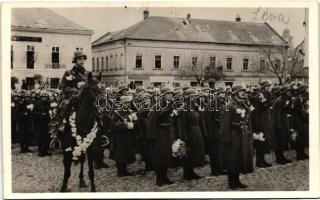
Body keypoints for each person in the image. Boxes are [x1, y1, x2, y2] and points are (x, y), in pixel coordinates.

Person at [221, 85, 254, 190]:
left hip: (243, 135)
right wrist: (226, 138)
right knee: (232, 159)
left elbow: (247, 119)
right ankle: (231, 182)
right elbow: (225, 124)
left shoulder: (243, 104)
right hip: (233, 135)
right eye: (241, 91)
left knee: (240, 159)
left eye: (244, 91)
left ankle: (237, 181)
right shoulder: (229, 106)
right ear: (235, 93)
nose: (243, 93)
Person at [147, 86, 178, 186]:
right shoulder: (157, 106)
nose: (170, 96)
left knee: (166, 156)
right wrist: (152, 137)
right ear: (163, 96)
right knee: (159, 157)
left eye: (171, 94)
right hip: (160, 135)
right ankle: (159, 179)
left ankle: (164, 177)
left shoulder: (169, 105)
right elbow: (151, 122)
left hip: (168, 134)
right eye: (168, 94)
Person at [180, 89, 206, 180]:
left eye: (195, 96)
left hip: (196, 131)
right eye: (192, 96)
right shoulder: (184, 108)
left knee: (194, 153)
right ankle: (187, 174)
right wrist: (184, 136)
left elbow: (199, 119)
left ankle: (191, 172)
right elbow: (182, 124)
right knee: (188, 154)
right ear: (188, 97)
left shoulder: (194, 106)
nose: (194, 98)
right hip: (189, 132)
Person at [110, 95, 137, 177]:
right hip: (120, 137)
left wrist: (135, 121)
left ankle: (124, 170)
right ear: (121, 103)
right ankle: (120, 171)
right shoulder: (117, 112)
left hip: (128, 136)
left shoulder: (131, 111)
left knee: (126, 154)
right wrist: (125, 125)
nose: (127, 104)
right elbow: (113, 125)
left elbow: (135, 123)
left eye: (128, 103)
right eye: (125, 103)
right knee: (120, 154)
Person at [251, 81, 273, 168]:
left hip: (265, 121)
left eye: (269, 86)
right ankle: (259, 161)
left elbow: (269, 105)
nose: (268, 87)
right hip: (260, 122)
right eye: (267, 86)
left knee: (264, 142)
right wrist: (257, 125)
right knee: (260, 142)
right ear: (263, 87)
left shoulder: (267, 94)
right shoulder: (259, 96)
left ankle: (262, 160)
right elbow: (256, 112)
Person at [33, 91, 51, 157]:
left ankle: (45, 150)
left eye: (46, 97)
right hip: (39, 123)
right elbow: (34, 113)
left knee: (46, 137)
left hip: (46, 122)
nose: (44, 98)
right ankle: (40, 151)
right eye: (43, 97)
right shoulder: (37, 104)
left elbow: (49, 111)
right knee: (40, 137)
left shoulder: (48, 104)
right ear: (41, 97)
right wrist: (41, 114)